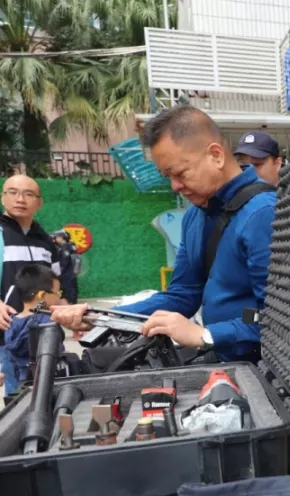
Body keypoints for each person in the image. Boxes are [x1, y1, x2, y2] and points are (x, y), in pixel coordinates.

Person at [51, 106, 276, 363]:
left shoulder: (263, 213)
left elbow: (279, 320)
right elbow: (183, 294)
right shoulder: (195, 216)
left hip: (263, 368)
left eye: (180, 173)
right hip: (226, 361)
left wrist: (206, 335)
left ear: (216, 155)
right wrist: (102, 316)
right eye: (167, 176)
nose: (175, 186)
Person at [0, 175, 60, 333]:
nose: (20, 199)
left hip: (40, 332)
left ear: (39, 203)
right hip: (5, 332)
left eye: (28, 194)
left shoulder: (45, 240)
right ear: (2, 198)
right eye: (13, 192)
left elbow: (56, 285)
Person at [2, 265, 65, 395]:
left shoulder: (10, 322)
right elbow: (59, 357)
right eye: (58, 293)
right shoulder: (48, 324)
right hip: (46, 389)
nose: (59, 298)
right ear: (42, 295)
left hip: (20, 387)